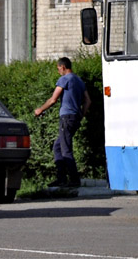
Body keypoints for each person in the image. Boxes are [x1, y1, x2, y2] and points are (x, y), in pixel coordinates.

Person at [34, 56, 91, 189]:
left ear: (63, 67)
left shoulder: (64, 79)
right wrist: (81, 115)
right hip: (75, 117)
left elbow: (53, 99)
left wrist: (40, 109)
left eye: (58, 68)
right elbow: (88, 101)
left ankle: (74, 180)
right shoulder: (79, 80)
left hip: (66, 117)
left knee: (65, 150)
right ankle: (61, 179)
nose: (58, 71)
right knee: (58, 146)